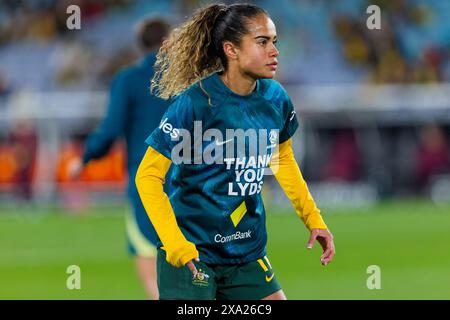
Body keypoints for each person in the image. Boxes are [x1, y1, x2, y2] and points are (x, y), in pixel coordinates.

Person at [135, 3, 335, 300]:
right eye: (262, 42)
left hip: (247, 253)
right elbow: (148, 176)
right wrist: (175, 242)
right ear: (231, 50)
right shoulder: (196, 103)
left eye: (274, 41)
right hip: (193, 253)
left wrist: (313, 219)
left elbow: (282, 159)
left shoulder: (275, 98)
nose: (274, 51)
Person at [69, 17, 172, 300]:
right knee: (191, 258)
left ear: (141, 44)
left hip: (148, 180)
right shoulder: (189, 80)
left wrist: (85, 157)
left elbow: (111, 129)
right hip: (189, 181)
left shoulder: (128, 80)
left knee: (149, 263)